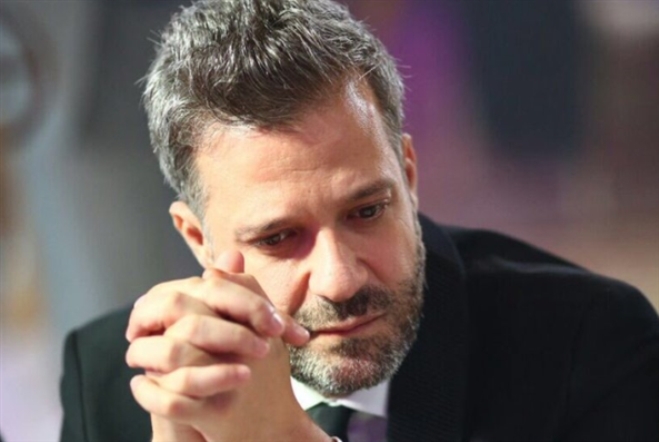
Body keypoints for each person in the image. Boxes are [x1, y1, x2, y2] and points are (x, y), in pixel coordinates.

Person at [58, 0, 659, 441]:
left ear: (409, 176)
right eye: (279, 238)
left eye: (366, 211)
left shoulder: (589, 343)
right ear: (199, 239)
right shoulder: (112, 377)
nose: (340, 279)